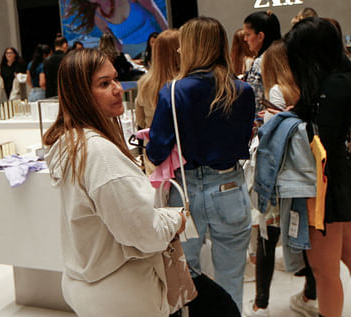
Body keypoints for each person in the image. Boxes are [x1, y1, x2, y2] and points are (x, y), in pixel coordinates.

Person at [43, 48, 185, 316]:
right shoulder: (100, 154)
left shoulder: (72, 143)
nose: (117, 89)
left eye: (116, 79)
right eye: (104, 84)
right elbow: (143, 233)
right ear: (81, 95)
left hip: (90, 283)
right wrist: (175, 220)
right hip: (121, 291)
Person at [147, 17, 256, 312]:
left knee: (187, 276)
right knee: (232, 276)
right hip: (230, 186)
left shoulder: (174, 91)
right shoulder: (242, 91)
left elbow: (156, 152)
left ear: (192, 47)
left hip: (186, 193)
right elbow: (243, 141)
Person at [284, 17, 351, 317]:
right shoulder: (342, 76)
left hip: (324, 182)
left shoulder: (332, 85)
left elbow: (318, 138)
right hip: (338, 175)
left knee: (325, 271)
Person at [245, 40, 318, 317]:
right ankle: (310, 295)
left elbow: (275, 139)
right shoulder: (304, 88)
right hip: (303, 176)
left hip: (278, 177)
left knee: (266, 238)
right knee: (304, 237)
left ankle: (260, 304)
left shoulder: (275, 91)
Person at [63, 0, 168, 52]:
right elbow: (117, 46)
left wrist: (170, 40)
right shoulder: (99, 19)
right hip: (135, 59)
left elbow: (155, 11)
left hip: (158, 47)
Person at [135, 29, 180, 130]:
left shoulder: (144, 83)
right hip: (182, 143)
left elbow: (140, 120)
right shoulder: (185, 83)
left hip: (152, 140)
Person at [243, 10, 283, 114]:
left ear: (260, 36)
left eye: (248, 34)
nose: (245, 39)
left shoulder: (260, 62)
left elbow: (254, 99)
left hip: (264, 121)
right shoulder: (285, 56)